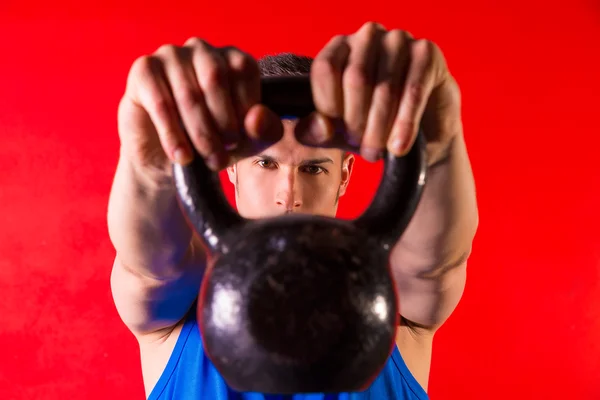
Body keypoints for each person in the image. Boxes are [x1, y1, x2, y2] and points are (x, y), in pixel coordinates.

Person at [107, 22, 479, 400]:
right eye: (266, 164)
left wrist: (437, 145)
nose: (289, 194)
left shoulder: (392, 299)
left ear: (344, 175)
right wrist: (152, 166)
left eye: (313, 168)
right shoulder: (180, 302)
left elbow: (433, 266)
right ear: (231, 166)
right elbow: (149, 270)